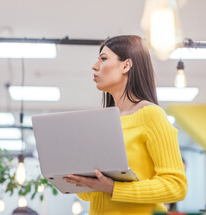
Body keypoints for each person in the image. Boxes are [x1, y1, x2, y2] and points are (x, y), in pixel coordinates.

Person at [63, 35, 187, 214]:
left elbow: (176, 186)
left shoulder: (151, 115)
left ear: (126, 65)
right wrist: (81, 178)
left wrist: (114, 188)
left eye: (103, 58)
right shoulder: (102, 122)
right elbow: (94, 195)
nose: (95, 66)